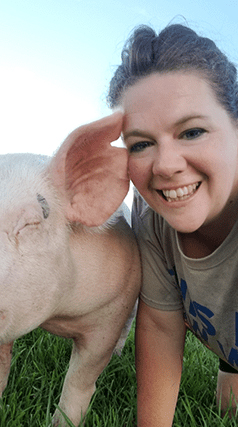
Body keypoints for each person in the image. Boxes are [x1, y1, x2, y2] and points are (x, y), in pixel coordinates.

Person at [107, 23, 238, 425]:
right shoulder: (152, 220)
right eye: (141, 144)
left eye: (192, 131)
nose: (164, 166)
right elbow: (162, 331)